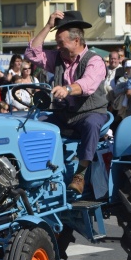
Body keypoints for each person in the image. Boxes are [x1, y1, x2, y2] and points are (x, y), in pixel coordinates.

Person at [25, 10, 108, 194]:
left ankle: (80, 175)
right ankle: (38, 171)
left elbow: (88, 84)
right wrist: (48, 26)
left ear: (76, 41)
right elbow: (31, 53)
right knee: (35, 126)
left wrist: (67, 89)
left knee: (91, 124)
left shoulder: (94, 61)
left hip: (91, 112)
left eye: (61, 43)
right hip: (65, 114)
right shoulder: (57, 58)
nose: (58, 47)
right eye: (56, 43)